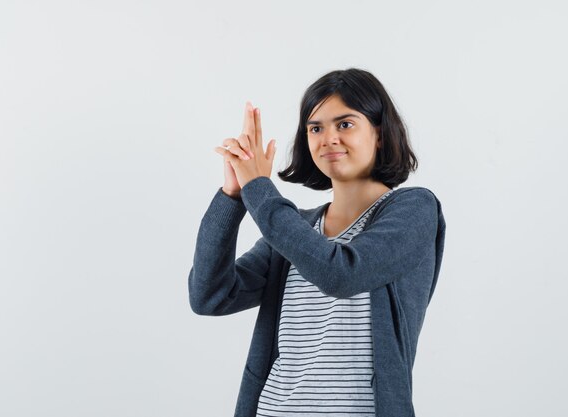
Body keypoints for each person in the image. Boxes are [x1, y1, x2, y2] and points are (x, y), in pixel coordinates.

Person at [188, 68, 447, 417]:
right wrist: (233, 196)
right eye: (315, 128)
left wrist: (258, 191)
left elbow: (341, 273)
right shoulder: (296, 228)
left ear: (380, 134)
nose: (328, 138)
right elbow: (210, 296)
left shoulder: (414, 209)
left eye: (345, 124)